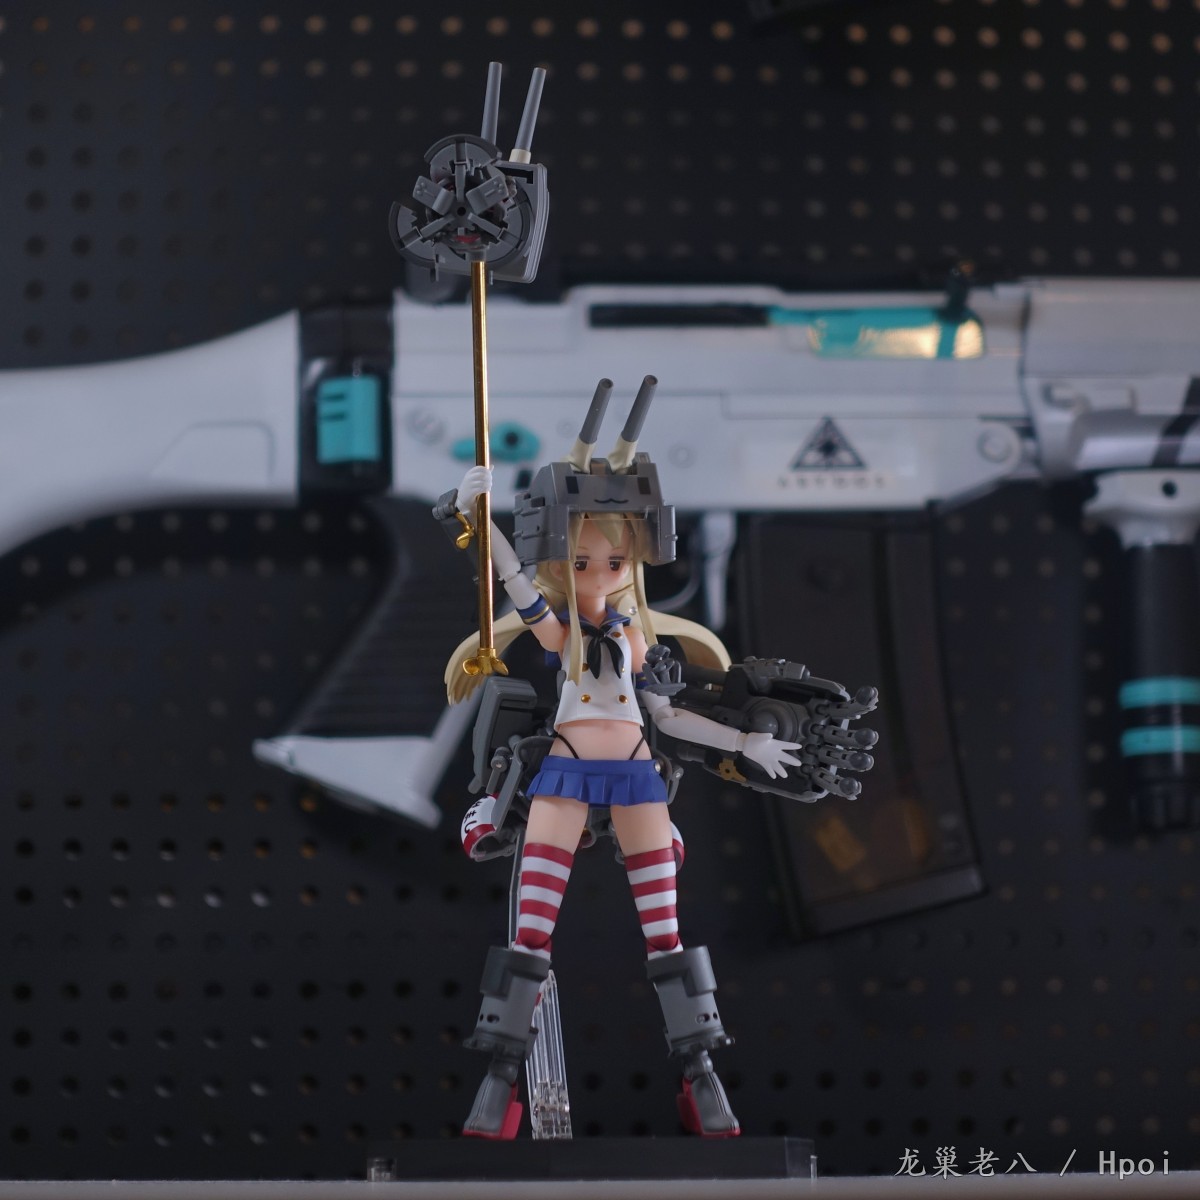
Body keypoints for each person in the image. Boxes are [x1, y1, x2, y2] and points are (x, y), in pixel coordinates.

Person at [440, 430, 802, 1139]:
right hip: (566, 773)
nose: (600, 573)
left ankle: (701, 1074)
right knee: (531, 935)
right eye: (581, 561)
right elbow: (512, 580)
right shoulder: (561, 633)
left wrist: (744, 743)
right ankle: (499, 1079)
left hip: (638, 778)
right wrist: (475, 516)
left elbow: (668, 717)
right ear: (559, 560)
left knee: (666, 935)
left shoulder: (640, 644)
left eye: (614, 559)